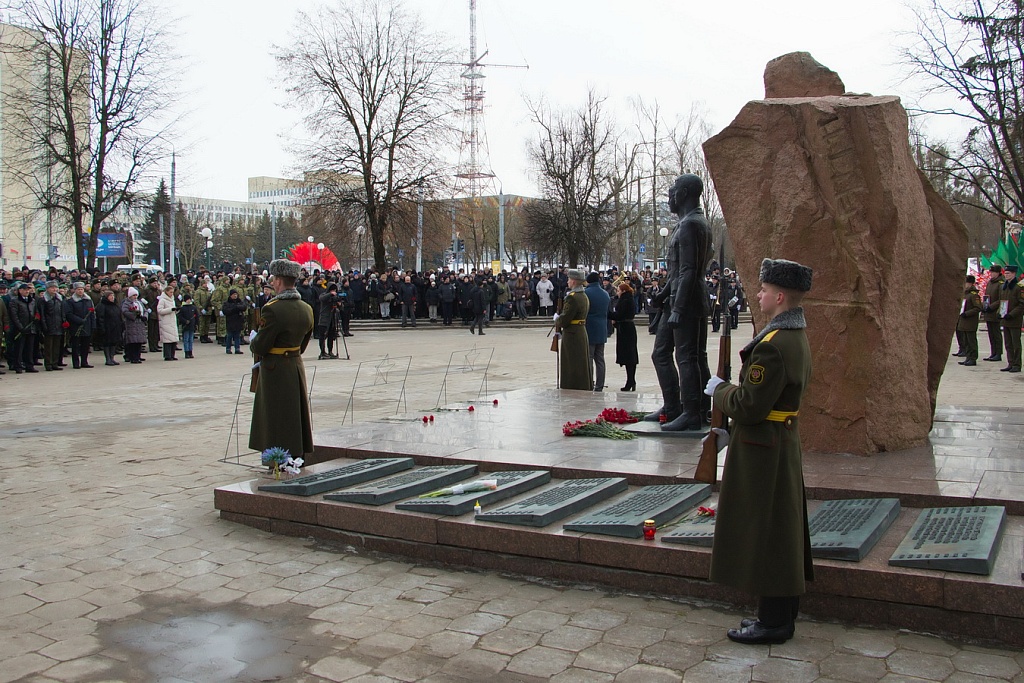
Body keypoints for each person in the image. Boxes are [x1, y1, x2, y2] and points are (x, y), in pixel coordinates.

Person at [704, 258, 814, 645]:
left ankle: (773, 623)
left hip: (764, 448)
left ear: (780, 297)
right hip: (777, 442)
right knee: (780, 529)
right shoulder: (792, 335)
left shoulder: (774, 345)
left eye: (765, 290)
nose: (759, 294)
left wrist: (720, 390)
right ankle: (780, 614)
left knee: (769, 533)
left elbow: (750, 406)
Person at [647, 174, 714, 431]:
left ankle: (692, 412)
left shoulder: (691, 225)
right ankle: (676, 407)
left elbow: (688, 270)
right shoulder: (691, 222)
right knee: (669, 353)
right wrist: (663, 294)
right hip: (680, 299)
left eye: (672, 192)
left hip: (686, 302)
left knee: (686, 357)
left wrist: (678, 308)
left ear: (683, 193)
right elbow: (679, 272)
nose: (669, 198)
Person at [249, 259, 315, 459]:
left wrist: (254, 339)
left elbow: (260, 346)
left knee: (275, 417)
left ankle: (276, 458)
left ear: (278, 281)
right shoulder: (306, 308)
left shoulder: (272, 309)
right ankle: (296, 454)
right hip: (295, 365)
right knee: (294, 414)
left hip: (274, 369)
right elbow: (303, 345)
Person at [553, 268, 591, 390]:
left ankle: (571, 386)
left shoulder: (572, 297)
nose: (568, 281)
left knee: (571, 362)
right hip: (580, 331)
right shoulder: (583, 295)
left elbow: (565, 320)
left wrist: (557, 319)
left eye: (569, 279)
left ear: (574, 281)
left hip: (572, 333)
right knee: (580, 362)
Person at [608, 279, 639, 391]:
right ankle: (631, 380)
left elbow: (620, 314)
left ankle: (630, 381)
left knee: (629, 356)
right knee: (629, 356)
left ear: (623, 291)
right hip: (626, 328)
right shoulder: (628, 299)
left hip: (626, 329)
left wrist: (609, 314)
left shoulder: (625, 300)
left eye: (618, 290)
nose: (617, 292)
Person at [584, 271, 610, 392]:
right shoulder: (605, 294)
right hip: (602, 329)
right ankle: (600, 384)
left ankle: (589, 382)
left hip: (589, 328)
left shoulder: (586, 293)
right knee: (600, 359)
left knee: (589, 357)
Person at [9, 282, 39, 373]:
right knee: (19, 348)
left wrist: (36, 318)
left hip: (31, 327)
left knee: (29, 348)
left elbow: (35, 311)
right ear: (20, 291)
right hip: (20, 329)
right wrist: (20, 327)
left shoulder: (32, 301)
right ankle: (18, 366)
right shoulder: (15, 301)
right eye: (25, 290)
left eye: (28, 290)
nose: (27, 291)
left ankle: (29, 365)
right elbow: (14, 315)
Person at [64, 282, 95, 369]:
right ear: (75, 290)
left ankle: (84, 362)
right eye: (78, 289)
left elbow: (92, 313)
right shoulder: (71, 301)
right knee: (76, 345)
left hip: (87, 326)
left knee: (85, 345)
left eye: (82, 289)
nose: (80, 291)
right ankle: (76, 363)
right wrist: (79, 320)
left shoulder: (88, 300)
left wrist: (93, 325)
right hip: (76, 326)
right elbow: (69, 314)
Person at [37, 280, 67, 371]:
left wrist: (64, 322)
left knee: (57, 346)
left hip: (59, 325)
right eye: (52, 288)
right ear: (47, 289)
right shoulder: (43, 300)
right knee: (48, 347)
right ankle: (48, 364)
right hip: (49, 325)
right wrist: (44, 325)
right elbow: (42, 314)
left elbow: (62, 312)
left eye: (56, 287)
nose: (54, 289)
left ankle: (55, 363)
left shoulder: (59, 299)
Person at [1000, 264, 1023, 373]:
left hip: (1014, 320)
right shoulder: (1004, 287)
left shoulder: (1018, 287)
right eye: (1005, 273)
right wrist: (999, 312)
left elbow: (1021, 304)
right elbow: (1002, 302)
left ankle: (1017, 364)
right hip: (1005, 319)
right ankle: (1011, 363)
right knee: (1008, 343)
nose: (1006, 275)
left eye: (1008, 273)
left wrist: (1011, 314)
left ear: (1014, 274)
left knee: (1015, 343)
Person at [956, 275, 983, 367]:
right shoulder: (965, 294)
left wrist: (967, 313)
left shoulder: (973, 295)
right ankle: (968, 357)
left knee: (971, 341)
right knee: (966, 341)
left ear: (970, 283)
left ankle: (973, 358)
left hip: (970, 321)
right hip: (963, 321)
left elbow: (978, 308)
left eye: (966, 283)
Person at [982, 264, 1004, 362]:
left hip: (995, 312)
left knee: (996, 334)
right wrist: (984, 306)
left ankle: (998, 353)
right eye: (991, 272)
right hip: (988, 312)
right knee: (991, 334)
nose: (991, 274)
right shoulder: (990, 283)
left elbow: (1001, 299)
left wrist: (991, 307)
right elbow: (986, 296)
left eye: (993, 272)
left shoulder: (1001, 283)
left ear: (998, 273)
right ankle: (993, 352)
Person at [121, 287, 148, 364]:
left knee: (138, 342)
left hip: (140, 324)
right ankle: (132, 357)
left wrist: (144, 317)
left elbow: (145, 310)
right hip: (131, 324)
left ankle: (138, 356)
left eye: (136, 295)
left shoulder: (139, 302)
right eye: (133, 295)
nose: (135, 297)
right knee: (133, 342)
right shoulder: (126, 303)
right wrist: (134, 315)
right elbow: (125, 311)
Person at [97, 289, 123, 365]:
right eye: (110, 296)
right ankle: (108, 359)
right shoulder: (102, 305)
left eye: (113, 295)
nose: (112, 297)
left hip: (115, 327)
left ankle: (112, 357)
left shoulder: (115, 305)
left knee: (114, 343)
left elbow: (119, 316)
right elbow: (100, 317)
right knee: (107, 343)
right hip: (107, 327)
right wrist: (101, 327)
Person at [156, 284, 180, 361]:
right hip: (165, 321)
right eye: (170, 292)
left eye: (172, 292)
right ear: (166, 292)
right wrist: (170, 309)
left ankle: (172, 355)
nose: (172, 294)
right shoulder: (162, 300)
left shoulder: (172, 300)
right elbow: (160, 310)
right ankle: (167, 355)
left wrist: (176, 310)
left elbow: (173, 310)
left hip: (172, 320)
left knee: (173, 339)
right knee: (167, 340)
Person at [317, 284, 341, 359]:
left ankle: (330, 351)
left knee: (331, 336)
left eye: (335, 290)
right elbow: (321, 298)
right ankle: (323, 352)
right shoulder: (324, 295)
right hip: (324, 319)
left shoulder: (335, 297)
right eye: (332, 290)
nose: (334, 291)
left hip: (332, 319)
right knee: (322, 336)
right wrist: (330, 294)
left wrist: (339, 304)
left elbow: (340, 307)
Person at [222, 289, 247, 354]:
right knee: (229, 336)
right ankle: (228, 349)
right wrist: (234, 308)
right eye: (233, 294)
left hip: (238, 321)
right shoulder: (227, 303)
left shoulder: (239, 301)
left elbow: (244, 307)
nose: (235, 296)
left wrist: (237, 307)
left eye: (236, 294)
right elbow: (225, 311)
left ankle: (237, 349)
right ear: (230, 295)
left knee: (237, 336)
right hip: (230, 321)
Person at [178, 293, 199, 359]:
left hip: (192, 325)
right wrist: (185, 321)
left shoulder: (193, 307)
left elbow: (197, 316)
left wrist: (196, 324)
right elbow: (180, 316)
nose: (189, 301)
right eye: (187, 299)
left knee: (191, 339)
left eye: (189, 299)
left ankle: (190, 352)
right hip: (186, 326)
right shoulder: (182, 308)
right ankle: (186, 352)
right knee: (186, 339)